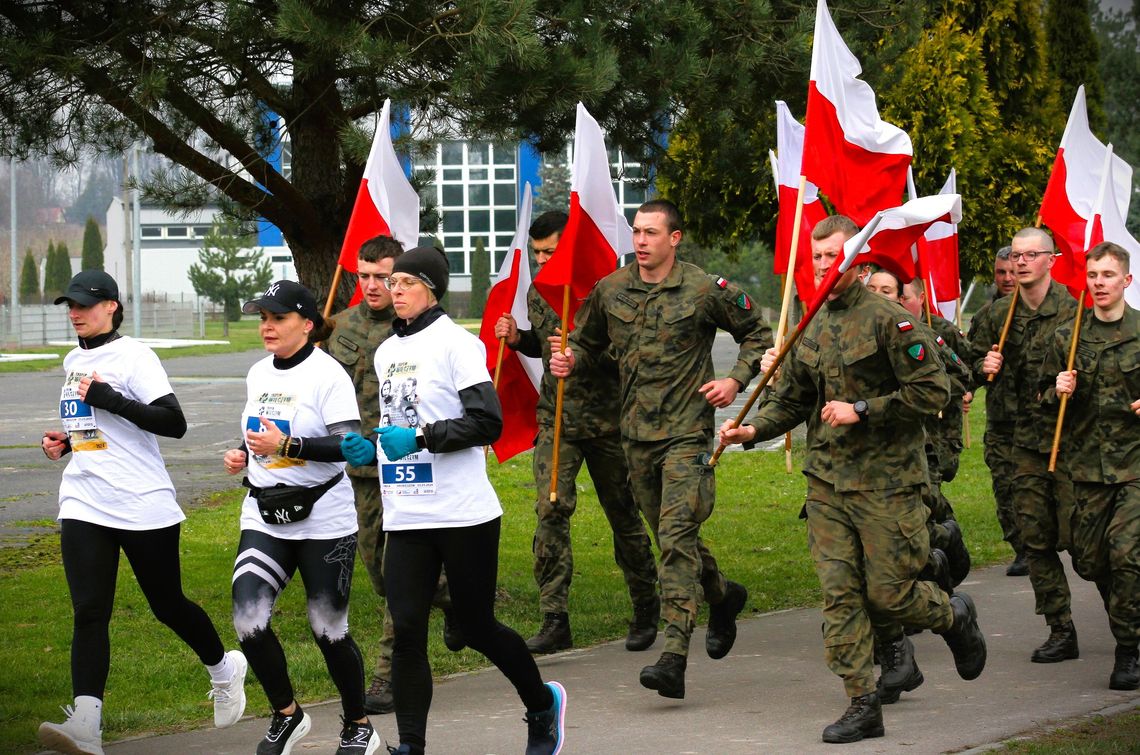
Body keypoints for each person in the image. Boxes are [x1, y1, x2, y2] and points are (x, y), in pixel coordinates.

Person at [719, 216, 987, 744]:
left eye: (832, 257)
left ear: (857, 260)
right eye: (816, 258)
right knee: (840, 596)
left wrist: (863, 408)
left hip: (887, 483)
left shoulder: (892, 321)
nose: (823, 266)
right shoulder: (812, 320)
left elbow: (934, 392)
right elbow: (793, 396)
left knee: (889, 595)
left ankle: (953, 615)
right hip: (827, 485)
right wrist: (752, 429)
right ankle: (862, 703)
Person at [339, 246, 566, 755]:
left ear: (431, 289)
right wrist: (371, 445)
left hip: (463, 514)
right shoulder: (385, 352)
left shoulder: (456, 345)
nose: (393, 291)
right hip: (407, 513)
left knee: (476, 625)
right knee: (408, 631)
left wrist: (418, 439)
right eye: (390, 283)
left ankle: (541, 704)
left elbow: (487, 421)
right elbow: (400, 422)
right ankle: (411, 747)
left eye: (404, 283)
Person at [549, 199, 771, 700]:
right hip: (635, 438)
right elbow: (584, 343)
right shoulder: (611, 289)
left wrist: (736, 380)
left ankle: (673, 656)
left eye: (651, 232)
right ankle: (722, 595)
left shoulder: (703, 288)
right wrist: (569, 360)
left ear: (675, 238)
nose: (641, 241)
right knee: (676, 538)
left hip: (686, 435)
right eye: (636, 231)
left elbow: (757, 332)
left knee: (674, 537)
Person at [38, 270, 247, 755]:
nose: (75, 313)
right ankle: (87, 725)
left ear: (111, 306)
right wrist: (68, 441)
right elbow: (96, 429)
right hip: (85, 497)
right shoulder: (73, 360)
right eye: (69, 306)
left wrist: (108, 398)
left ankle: (224, 667)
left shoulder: (136, 356)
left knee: (167, 604)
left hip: (141, 501)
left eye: (84, 305)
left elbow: (173, 423)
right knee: (90, 611)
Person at [224, 280, 380, 755]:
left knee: (328, 630)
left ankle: (358, 725)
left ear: (307, 325)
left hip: (322, 519)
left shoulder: (327, 375)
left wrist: (287, 446)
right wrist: (242, 456)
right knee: (247, 616)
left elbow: (349, 446)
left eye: (278, 318)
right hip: (265, 513)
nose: (266, 327)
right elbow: (257, 433)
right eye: (262, 318)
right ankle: (287, 715)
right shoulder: (257, 374)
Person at [494, 210, 659, 655]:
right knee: (550, 509)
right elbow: (542, 345)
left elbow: (627, 357)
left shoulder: (609, 291)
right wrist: (518, 340)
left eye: (552, 251)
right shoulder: (538, 292)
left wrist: (580, 355)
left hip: (608, 421)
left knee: (624, 513)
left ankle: (646, 605)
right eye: (538, 253)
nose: (544, 260)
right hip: (558, 418)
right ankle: (554, 617)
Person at [326, 235, 460, 717]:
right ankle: (452, 601)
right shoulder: (337, 326)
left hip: (408, 464)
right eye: (363, 275)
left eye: (384, 276)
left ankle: (387, 673)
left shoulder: (415, 332)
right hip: (361, 466)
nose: (373, 285)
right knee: (376, 565)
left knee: (397, 574)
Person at [971, 227, 1079, 664]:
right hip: (1022, 444)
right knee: (1034, 539)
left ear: (1051, 259)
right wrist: (982, 364)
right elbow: (964, 368)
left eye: (1031, 255)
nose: (1020, 262)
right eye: (1016, 256)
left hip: (1072, 442)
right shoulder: (998, 316)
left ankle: (1126, 627)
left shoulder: (1075, 311)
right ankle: (1061, 627)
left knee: (1090, 549)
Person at [1044, 242, 1139, 691]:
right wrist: (1057, 389)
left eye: (1108, 275)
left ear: (1127, 281)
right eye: (1093, 275)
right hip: (1084, 470)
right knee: (1090, 561)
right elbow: (1042, 402)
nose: (1099, 283)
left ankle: (1129, 650)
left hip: (1135, 467)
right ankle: (1129, 614)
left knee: (1126, 556)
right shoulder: (1069, 336)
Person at [967, 246, 1029, 576]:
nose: (1006, 278)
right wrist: (980, 368)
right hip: (1002, 418)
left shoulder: (1040, 311)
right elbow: (970, 361)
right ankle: (1022, 548)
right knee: (1005, 485)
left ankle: (1045, 541)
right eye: (1000, 272)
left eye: (1012, 272)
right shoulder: (986, 316)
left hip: (1038, 417)